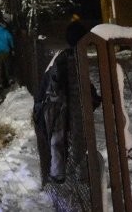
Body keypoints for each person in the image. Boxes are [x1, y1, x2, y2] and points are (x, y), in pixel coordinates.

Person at [33, 18, 98, 189]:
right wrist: (95, 99)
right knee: (68, 140)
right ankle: (76, 176)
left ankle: (60, 174)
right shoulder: (73, 59)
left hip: (56, 109)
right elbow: (83, 86)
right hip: (63, 109)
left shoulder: (63, 56)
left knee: (59, 141)